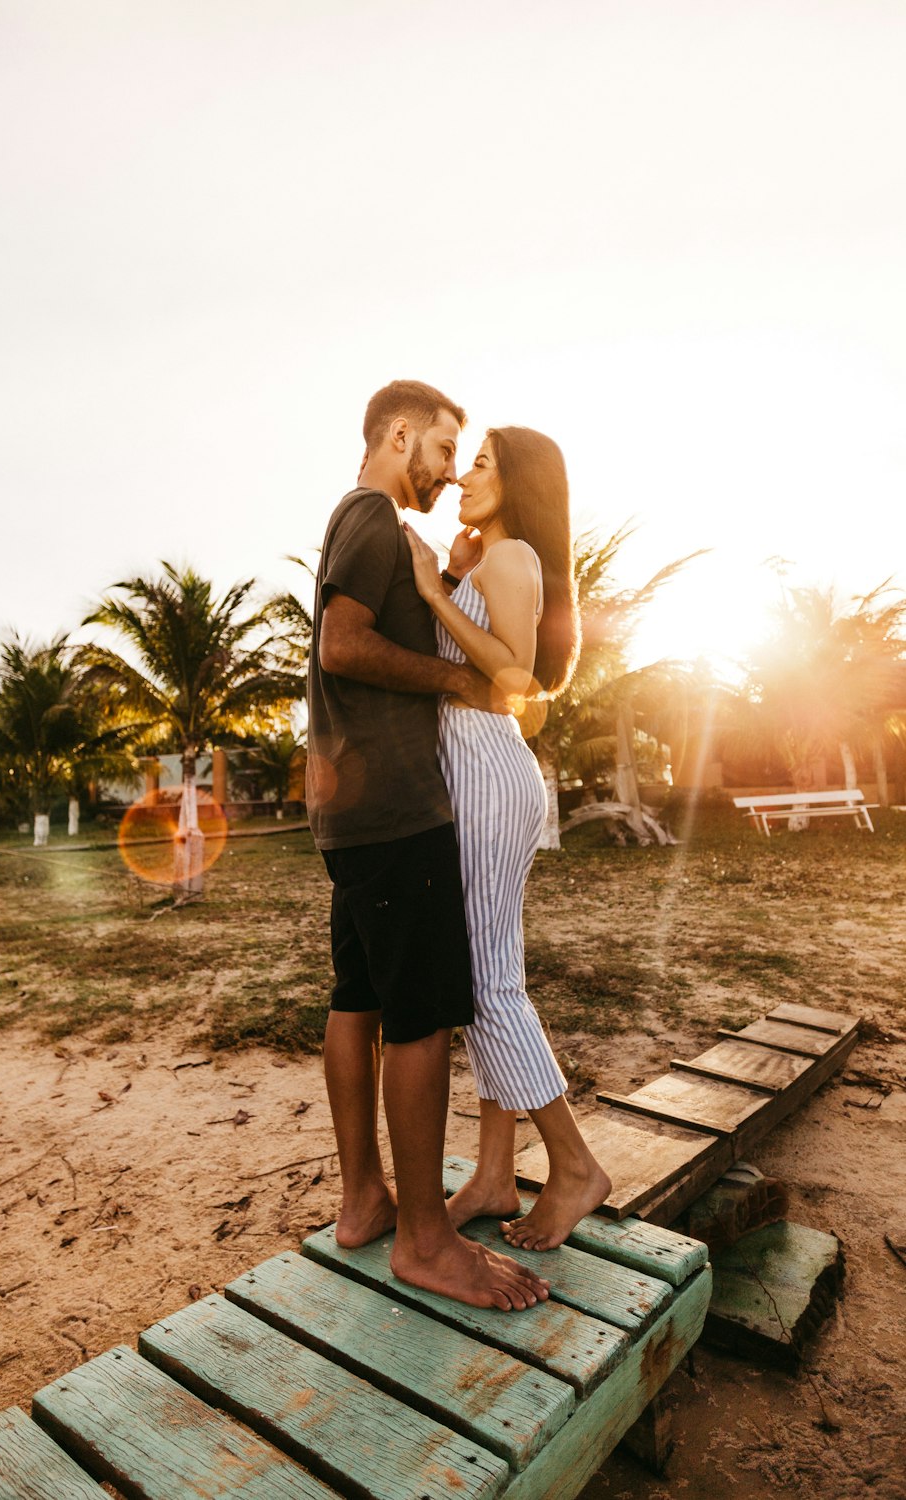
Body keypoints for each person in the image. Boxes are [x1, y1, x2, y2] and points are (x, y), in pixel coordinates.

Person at [306, 380, 550, 1311]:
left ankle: (365, 1201)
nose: (450, 473)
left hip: (352, 807)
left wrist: (444, 585)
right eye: (445, 450)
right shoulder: (372, 516)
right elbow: (344, 645)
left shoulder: (362, 523)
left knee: (358, 997)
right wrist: (452, 677)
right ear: (399, 434)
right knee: (422, 1016)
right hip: (397, 807)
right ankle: (423, 1238)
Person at [403, 425, 612, 1252]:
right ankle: (493, 1173)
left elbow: (517, 674)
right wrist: (455, 574)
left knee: (487, 979)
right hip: (480, 768)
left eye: (480, 462)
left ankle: (573, 1166)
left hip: (488, 771)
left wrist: (434, 591)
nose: (463, 475)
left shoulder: (514, 556)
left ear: (516, 479)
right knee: (492, 968)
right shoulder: (489, 560)